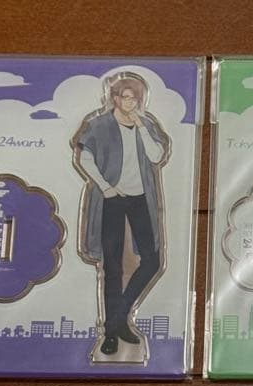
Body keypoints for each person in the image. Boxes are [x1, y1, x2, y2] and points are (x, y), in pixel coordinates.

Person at [75, 74, 169, 356]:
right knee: (112, 266)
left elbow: (156, 156)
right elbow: (84, 158)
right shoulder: (99, 125)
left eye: (134, 98)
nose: (130, 102)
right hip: (111, 199)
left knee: (152, 260)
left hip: (140, 198)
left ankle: (117, 319)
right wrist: (105, 187)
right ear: (115, 98)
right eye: (125, 97)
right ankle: (111, 334)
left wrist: (141, 126)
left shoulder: (145, 125)